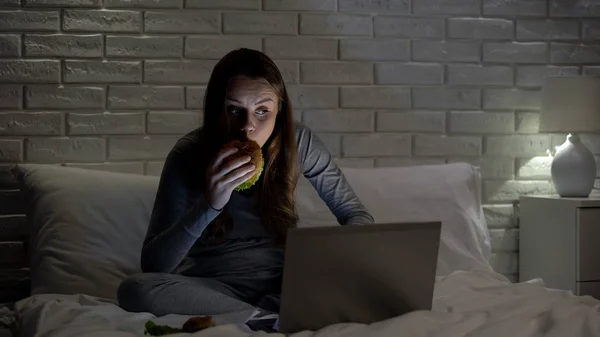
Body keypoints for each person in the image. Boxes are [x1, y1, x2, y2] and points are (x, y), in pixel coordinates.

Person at [117, 48, 374, 317]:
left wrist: (337, 256)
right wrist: (209, 204)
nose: (248, 126)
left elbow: (355, 214)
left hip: (284, 285)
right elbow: (155, 265)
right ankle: (264, 318)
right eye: (235, 110)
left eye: (262, 111)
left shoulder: (298, 144)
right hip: (212, 288)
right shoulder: (187, 154)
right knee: (134, 288)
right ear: (219, 110)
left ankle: (268, 314)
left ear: (280, 111)